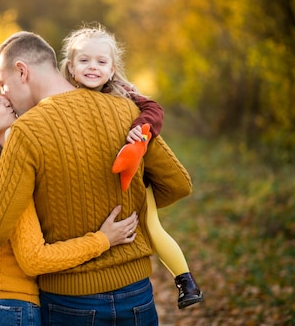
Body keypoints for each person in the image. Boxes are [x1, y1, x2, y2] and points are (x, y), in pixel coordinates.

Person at [0, 31, 193, 326]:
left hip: (70, 301)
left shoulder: (26, 130)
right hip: (137, 294)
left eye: (3, 85)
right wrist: (129, 196)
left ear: (22, 71)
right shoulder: (125, 110)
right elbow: (178, 184)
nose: (4, 96)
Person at [0, 78, 141, 326]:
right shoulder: (2, 174)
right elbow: (35, 258)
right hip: (7, 309)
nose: (5, 99)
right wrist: (103, 239)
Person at [59, 23, 203, 309]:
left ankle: (185, 280)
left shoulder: (123, 93)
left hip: (135, 177)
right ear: (71, 67)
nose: (92, 67)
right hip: (99, 178)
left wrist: (140, 128)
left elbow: (154, 110)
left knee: (152, 226)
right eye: (84, 61)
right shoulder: (62, 100)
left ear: (112, 69)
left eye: (101, 62)